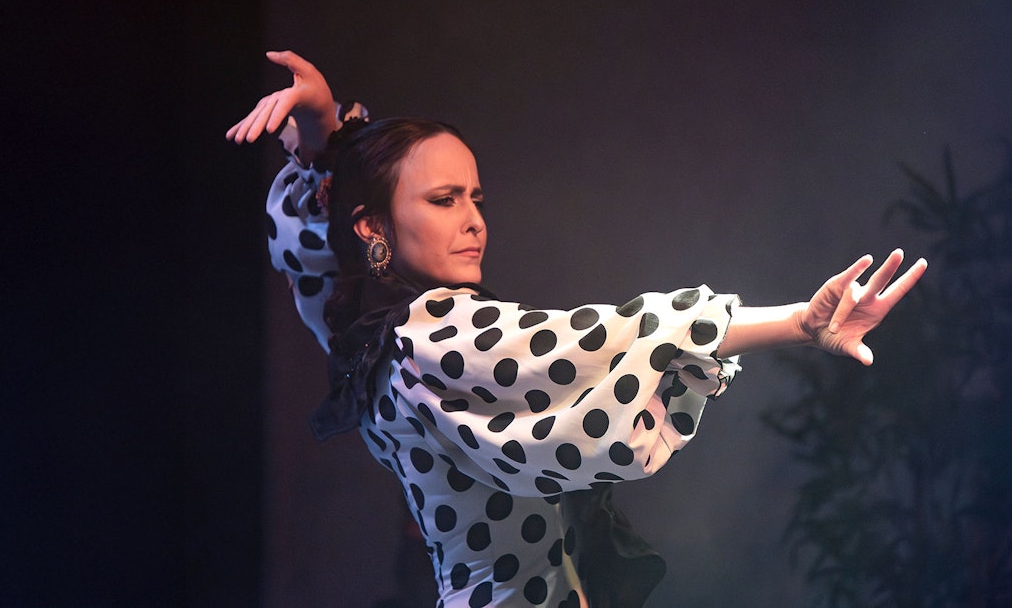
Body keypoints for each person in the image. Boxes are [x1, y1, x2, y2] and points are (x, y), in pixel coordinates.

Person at [227, 51, 927, 608]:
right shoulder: (430, 336)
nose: (473, 219)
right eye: (443, 200)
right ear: (372, 226)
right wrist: (796, 323)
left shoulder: (370, 338)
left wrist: (326, 132)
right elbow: (606, 340)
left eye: (475, 197)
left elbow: (319, 249)